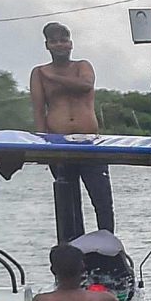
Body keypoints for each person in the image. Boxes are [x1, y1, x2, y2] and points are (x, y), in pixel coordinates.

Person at [29, 22, 113, 233]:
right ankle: (74, 252)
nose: (59, 45)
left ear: (71, 43)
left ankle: (109, 247)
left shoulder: (82, 66)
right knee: (69, 204)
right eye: (54, 41)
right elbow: (39, 110)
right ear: (47, 45)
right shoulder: (39, 73)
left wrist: (55, 78)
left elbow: (86, 85)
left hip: (90, 143)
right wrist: (42, 146)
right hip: (58, 144)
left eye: (64, 40)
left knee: (102, 201)